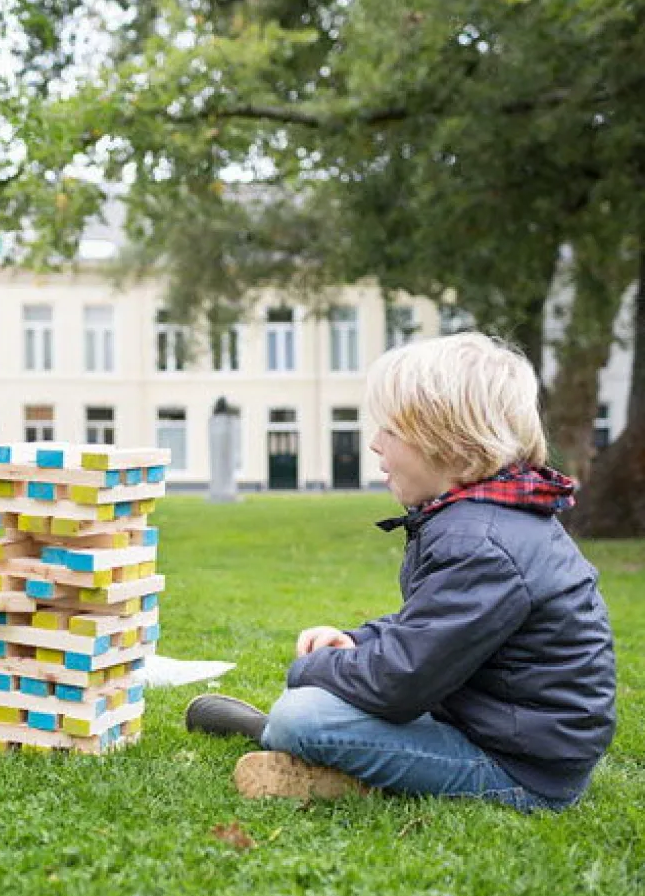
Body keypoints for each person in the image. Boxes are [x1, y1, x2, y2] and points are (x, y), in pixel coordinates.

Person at [186, 332, 616, 812]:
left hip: (521, 769)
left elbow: (400, 683)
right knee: (318, 703)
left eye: (388, 430)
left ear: (447, 445)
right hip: (495, 726)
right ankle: (301, 739)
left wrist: (310, 670)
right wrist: (358, 641)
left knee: (302, 715)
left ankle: (283, 738)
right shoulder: (485, 522)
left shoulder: (483, 543)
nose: (373, 444)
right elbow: (432, 628)